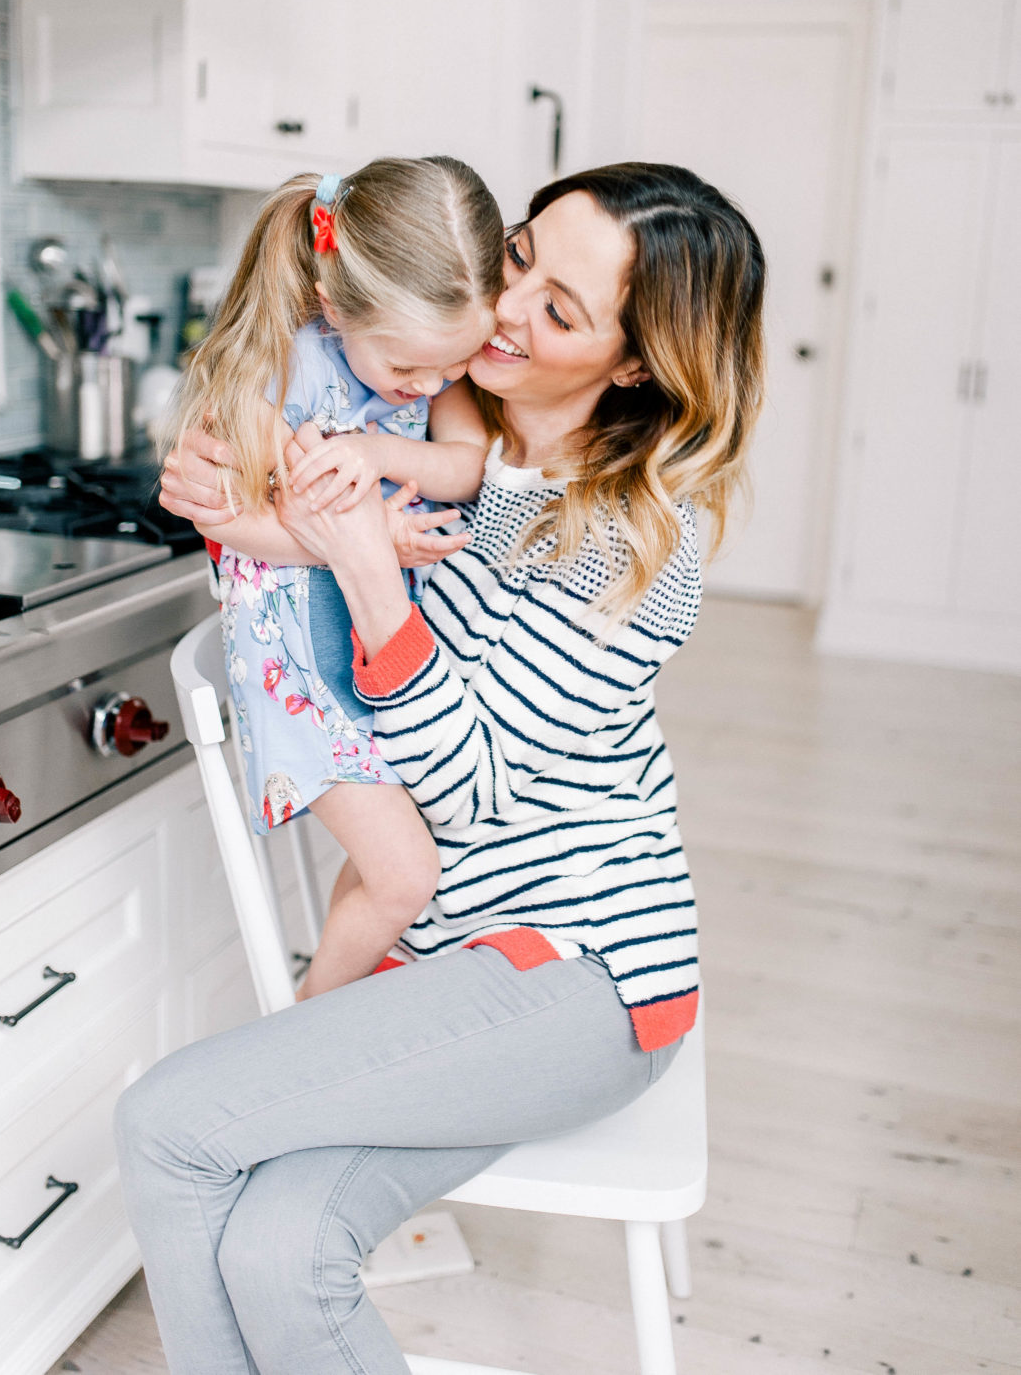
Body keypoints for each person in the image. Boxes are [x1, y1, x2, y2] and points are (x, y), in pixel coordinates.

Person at [118, 161, 766, 1375]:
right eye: (517, 259)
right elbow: (282, 454)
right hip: (444, 966)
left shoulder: (633, 551)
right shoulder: (432, 418)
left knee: (164, 1126)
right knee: (271, 1247)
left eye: (559, 311)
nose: (506, 311)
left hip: (576, 983)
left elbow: (458, 784)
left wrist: (363, 567)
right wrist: (208, 492)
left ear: (631, 365)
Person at [167, 157, 504, 997]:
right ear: (333, 304)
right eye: (410, 369)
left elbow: (467, 463)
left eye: (450, 370)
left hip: (375, 654)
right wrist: (364, 542)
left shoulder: (430, 354)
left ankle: (332, 1011)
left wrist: (376, 451)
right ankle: (309, 1026)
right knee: (404, 876)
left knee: (396, 864)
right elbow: (225, 518)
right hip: (299, 671)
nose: (430, 386)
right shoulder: (275, 367)